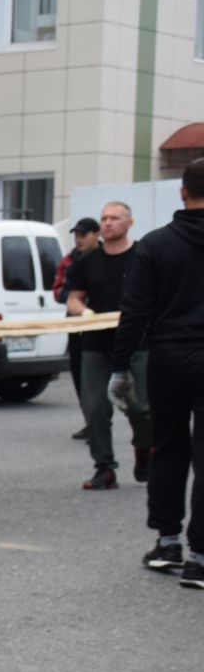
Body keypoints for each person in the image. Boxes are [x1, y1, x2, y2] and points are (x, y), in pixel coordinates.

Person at [111, 161, 204, 587]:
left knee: (168, 446)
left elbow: (135, 312)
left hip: (166, 356)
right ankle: (200, 557)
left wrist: (119, 366)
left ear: (182, 193)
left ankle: (168, 543)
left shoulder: (154, 244)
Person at [67, 201, 153, 489]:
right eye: (104, 218)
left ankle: (144, 449)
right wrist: (84, 311)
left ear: (129, 222)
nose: (107, 223)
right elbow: (73, 298)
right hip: (97, 345)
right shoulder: (86, 262)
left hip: (138, 343)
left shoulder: (145, 255)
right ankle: (105, 468)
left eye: (114, 218)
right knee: (95, 409)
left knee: (140, 408)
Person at [55, 217, 100, 439]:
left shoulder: (106, 257)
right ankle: (90, 421)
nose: (79, 239)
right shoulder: (69, 261)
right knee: (78, 373)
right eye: (76, 235)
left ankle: (99, 421)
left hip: (102, 326)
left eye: (84, 234)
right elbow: (58, 291)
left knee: (100, 376)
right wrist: (76, 299)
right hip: (76, 324)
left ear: (96, 235)